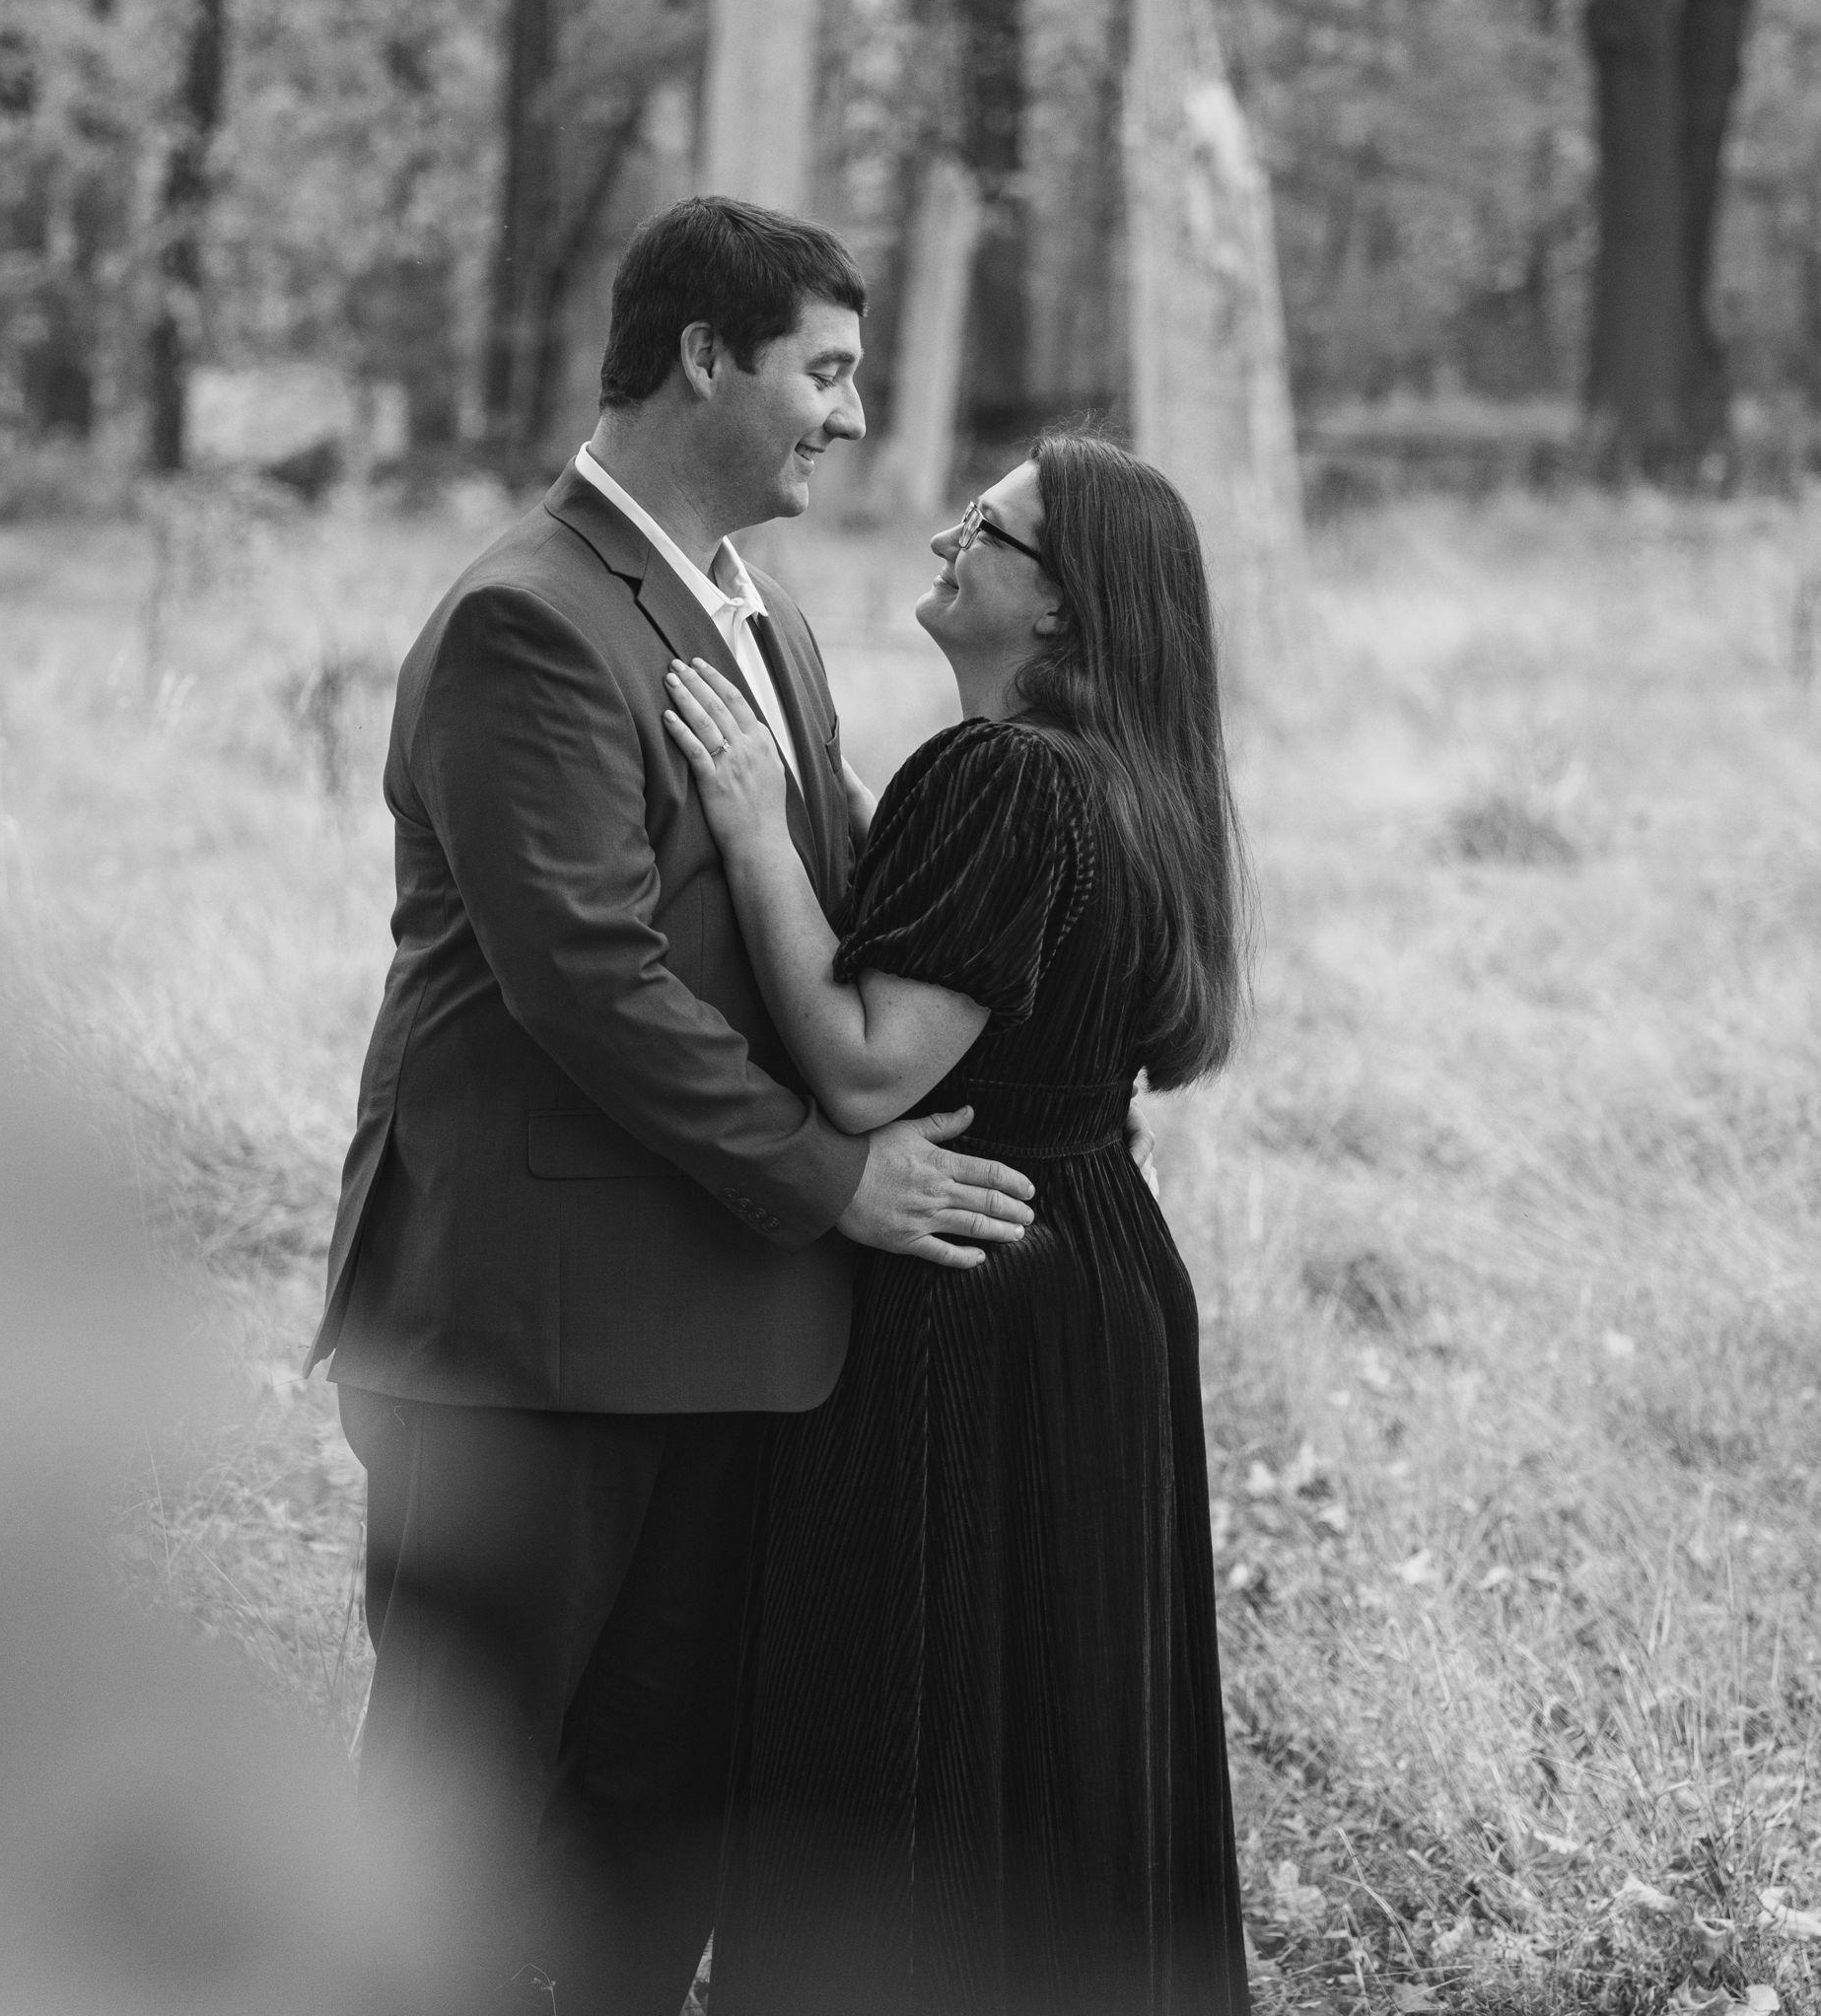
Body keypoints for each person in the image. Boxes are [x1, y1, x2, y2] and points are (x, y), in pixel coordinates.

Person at [303, 197, 1048, 2016]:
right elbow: (593, 983)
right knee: (457, 1825)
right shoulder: (529, 619)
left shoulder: (761, 612)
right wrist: (834, 1179)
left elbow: (835, 901)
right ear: (705, 357)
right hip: (527, 1341)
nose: (851, 417)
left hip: (727, 1333)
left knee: (656, 1818)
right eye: (825, 370)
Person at [665, 429, 1253, 2015]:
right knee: (1062, 1733)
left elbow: (867, 1068)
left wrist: (754, 834)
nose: (945, 538)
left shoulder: (1007, 776)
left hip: (968, 1274)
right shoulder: (1130, 778)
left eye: (986, 530)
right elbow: (975, 944)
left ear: (1060, 604)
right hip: (1097, 1262)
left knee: (911, 1732)